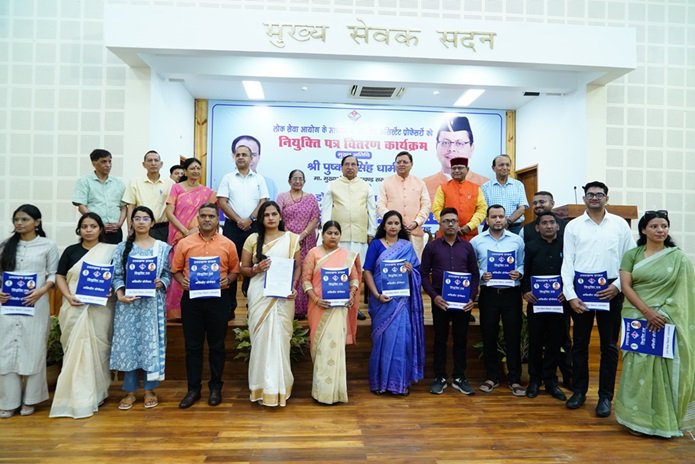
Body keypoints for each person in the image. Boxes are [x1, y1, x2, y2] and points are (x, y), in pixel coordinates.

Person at [615, 210, 695, 438]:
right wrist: (648, 312)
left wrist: (662, 313)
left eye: (664, 226)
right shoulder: (632, 254)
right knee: (637, 366)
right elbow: (626, 286)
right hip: (637, 317)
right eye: (654, 226)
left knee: (663, 367)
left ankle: (663, 421)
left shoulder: (678, 258)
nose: (660, 230)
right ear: (644, 230)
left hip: (666, 319)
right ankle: (636, 420)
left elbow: (683, 292)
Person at [561, 181, 635, 417]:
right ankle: (579, 391)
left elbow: (630, 259)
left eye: (599, 194)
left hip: (610, 290)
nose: (594, 198)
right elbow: (568, 262)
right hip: (581, 292)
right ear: (584, 198)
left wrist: (617, 287)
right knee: (580, 344)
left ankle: (605, 397)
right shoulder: (573, 226)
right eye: (590, 194)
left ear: (606, 198)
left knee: (609, 347)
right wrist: (571, 296)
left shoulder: (619, 225)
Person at [171, 203, 240, 409]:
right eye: (203, 216)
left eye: (211, 216)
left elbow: (235, 271)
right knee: (192, 346)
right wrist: (181, 281)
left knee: (217, 346)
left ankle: (215, 388)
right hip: (192, 300)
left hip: (218, 300)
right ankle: (193, 389)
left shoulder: (228, 244)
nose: (207, 219)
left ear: (217, 219)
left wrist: (228, 279)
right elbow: (175, 270)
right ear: (198, 218)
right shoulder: (185, 243)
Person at [50, 213, 117, 419]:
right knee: (74, 351)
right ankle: (73, 396)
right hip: (74, 306)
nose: (88, 230)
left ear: (100, 229)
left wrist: (111, 290)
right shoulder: (71, 251)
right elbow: (60, 276)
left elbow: (115, 277)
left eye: (93, 226)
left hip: (100, 309)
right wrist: (68, 296)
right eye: (84, 226)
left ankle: (98, 393)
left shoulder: (110, 251)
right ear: (79, 229)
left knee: (99, 350)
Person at [110, 206, 171, 411]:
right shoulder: (122, 247)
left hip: (152, 305)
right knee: (130, 346)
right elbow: (117, 275)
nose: (141, 222)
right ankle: (129, 391)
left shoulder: (162, 248)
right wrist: (120, 294)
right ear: (132, 222)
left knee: (149, 344)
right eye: (137, 218)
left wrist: (161, 282)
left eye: (146, 218)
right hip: (128, 305)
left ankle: (150, 390)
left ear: (152, 223)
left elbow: (168, 274)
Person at [0, 205, 59, 419]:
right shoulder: (5, 245)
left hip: (36, 304)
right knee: (6, 351)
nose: (19, 223)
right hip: (8, 306)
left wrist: (41, 291)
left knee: (33, 349)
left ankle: (31, 400)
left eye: (24, 219)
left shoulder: (48, 245)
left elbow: (53, 274)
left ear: (37, 222)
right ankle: (8, 401)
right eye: (16, 219)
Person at [240, 201, 301, 407]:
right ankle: (260, 388)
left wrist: (293, 286)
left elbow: (297, 267)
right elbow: (243, 269)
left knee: (281, 340)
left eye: (274, 214)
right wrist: (256, 269)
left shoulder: (291, 239)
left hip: (283, 297)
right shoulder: (252, 239)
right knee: (260, 341)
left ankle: (280, 389)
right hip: (259, 294)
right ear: (261, 218)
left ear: (280, 216)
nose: (271, 218)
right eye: (266, 215)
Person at [363, 210, 424, 395]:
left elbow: (417, 272)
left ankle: (399, 384)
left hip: (401, 303)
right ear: (384, 225)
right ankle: (380, 384)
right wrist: (376, 295)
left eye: (396, 223)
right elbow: (367, 271)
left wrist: (411, 270)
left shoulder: (407, 246)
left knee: (401, 341)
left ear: (400, 226)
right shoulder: (376, 245)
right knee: (382, 341)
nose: (393, 226)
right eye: (389, 223)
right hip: (382, 302)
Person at [420, 207, 479, 395]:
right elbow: (423, 275)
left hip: (463, 301)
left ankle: (459, 377)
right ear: (440, 224)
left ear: (458, 223)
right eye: (446, 221)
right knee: (440, 339)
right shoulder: (432, 247)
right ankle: (440, 377)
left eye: (453, 220)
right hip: (441, 300)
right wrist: (434, 297)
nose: (450, 224)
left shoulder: (467, 247)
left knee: (461, 339)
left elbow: (475, 274)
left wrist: (472, 298)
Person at [301, 221, 361, 404]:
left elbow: (355, 279)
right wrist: (315, 299)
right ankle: (321, 393)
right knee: (321, 348)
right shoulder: (313, 253)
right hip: (319, 307)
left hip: (339, 308)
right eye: (329, 233)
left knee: (336, 349)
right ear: (322, 234)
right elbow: (305, 280)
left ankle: (336, 392)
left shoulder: (347, 255)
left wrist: (351, 294)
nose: (333, 236)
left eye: (336, 233)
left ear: (340, 235)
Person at [470, 204, 526, 396]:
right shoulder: (477, 241)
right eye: (493, 217)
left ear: (505, 218)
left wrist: (519, 273)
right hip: (489, 294)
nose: (498, 220)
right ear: (487, 220)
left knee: (513, 336)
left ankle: (514, 379)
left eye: (501, 216)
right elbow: (472, 267)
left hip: (511, 294)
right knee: (489, 335)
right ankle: (491, 377)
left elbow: (522, 263)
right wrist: (481, 274)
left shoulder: (516, 240)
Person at [521, 190, 572, 389]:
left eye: (552, 223)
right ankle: (535, 380)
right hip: (536, 303)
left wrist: (567, 291)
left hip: (560, 302)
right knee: (535, 341)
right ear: (538, 227)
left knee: (556, 341)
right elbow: (524, 271)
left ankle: (551, 380)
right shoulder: (530, 246)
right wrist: (525, 291)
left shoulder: (566, 245)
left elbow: (571, 271)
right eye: (544, 223)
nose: (549, 226)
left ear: (558, 226)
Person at [321, 154, 377, 320]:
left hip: (359, 237)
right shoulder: (332, 185)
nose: (350, 167)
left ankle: (354, 307)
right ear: (342, 167)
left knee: (357, 274)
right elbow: (326, 211)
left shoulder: (366, 186)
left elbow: (372, 211)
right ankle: (337, 302)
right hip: (339, 237)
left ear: (358, 167)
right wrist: (326, 233)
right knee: (339, 270)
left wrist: (371, 232)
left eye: (353, 164)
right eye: (347, 164)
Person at [218, 143, 269, 315]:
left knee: (253, 264)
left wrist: (250, 219)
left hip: (253, 226)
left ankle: (252, 305)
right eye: (238, 154)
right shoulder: (227, 178)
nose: (241, 157)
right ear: (234, 157)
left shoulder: (259, 179)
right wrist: (239, 220)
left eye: (244, 154)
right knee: (230, 265)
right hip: (232, 227)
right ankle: (229, 307)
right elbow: (222, 202)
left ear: (251, 158)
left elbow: (263, 201)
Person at [164, 157, 217, 320]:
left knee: (195, 269)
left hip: (199, 236)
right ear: (185, 171)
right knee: (178, 271)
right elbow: (169, 212)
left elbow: (209, 215)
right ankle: (175, 312)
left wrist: (194, 231)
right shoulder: (176, 188)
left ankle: (196, 309)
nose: (195, 171)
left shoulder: (208, 192)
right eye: (192, 168)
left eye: (198, 168)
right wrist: (184, 231)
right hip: (178, 236)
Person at [276, 169, 321, 320]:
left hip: (307, 241)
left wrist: (302, 235)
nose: (297, 181)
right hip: (287, 240)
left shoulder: (310, 198)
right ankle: (288, 305)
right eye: (295, 178)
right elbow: (278, 217)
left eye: (300, 179)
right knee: (290, 269)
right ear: (289, 181)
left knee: (306, 270)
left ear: (304, 181)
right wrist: (291, 236)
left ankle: (304, 307)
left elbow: (315, 218)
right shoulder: (282, 197)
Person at [376, 151, 431, 259]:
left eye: (405, 162)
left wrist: (416, 222)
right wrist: (394, 221)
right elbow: (380, 206)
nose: (401, 164)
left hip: (414, 232)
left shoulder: (420, 183)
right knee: (392, 263)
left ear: (411, 164)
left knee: (414, 263)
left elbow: (426, 205)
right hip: (392, 234)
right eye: (398, 162)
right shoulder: (386, 182)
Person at [423, 116, 489, 202]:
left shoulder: (485, 184)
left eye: (459, 143)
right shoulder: (424, 184)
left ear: (471, 148)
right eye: (445, 142)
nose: (452, 149)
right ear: (436, 146)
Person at [72, 149, 126, 244]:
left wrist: (119, 224)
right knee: (94, 253)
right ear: (94, 163)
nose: (108, 165)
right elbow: (81, 206)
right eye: (103, 161)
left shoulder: (118, 183)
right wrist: (97, 224)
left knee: (115, 253)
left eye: (110, 161)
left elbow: (123, 207)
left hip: (115, 230)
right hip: (94, 230)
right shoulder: (84, 181)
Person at [122, 150, 175, 242]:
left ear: (161, 164)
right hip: (141, 227)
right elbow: (131, 207)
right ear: (144, 164)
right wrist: (130, 228)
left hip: (163, 228)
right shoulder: (135, 182)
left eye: (156, 160)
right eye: (150, 160)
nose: (153, 163)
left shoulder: (170, 183)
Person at [431, 157, 487, 242]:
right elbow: (437, 209)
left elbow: (482, 210)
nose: (456, 171)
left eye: (460, 168)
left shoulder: (476, 188)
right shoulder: (443, 188)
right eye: (454, 168)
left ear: (467, 169)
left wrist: (470, 226)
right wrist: (449, 225)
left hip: (469, 235)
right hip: (446, 235)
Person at [480, 154, 528, 235]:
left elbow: (522, 208)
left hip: (514, 228)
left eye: (507, 165)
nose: (505, 167)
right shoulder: (485, 187)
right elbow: (484, 210)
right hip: (492, 228)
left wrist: (507, 222)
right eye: (501, 165)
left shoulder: (518, 185)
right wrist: (498, 222)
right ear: (493, 168)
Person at [232, 135, 277, 200]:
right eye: (242, 154)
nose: (248, 159)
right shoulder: (225, 180)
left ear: (259, 157)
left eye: (253, 154)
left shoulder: (269, 184)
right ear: (233, 156)